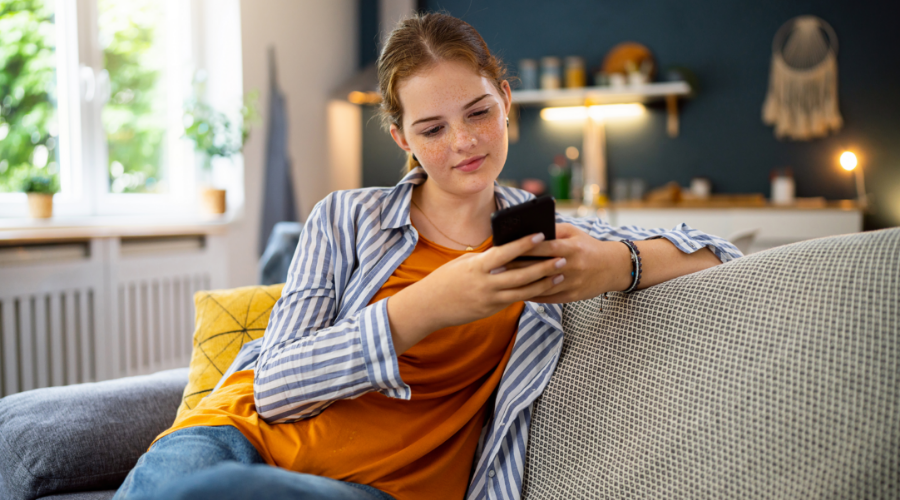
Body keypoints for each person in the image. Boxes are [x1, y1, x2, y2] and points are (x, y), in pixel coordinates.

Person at [113, 12, 741, 500]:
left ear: (504, 100)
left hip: (376, 488)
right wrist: (422, 308)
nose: (464, 143)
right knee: (198, 482)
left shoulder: (545, 239)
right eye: (432, 129)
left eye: (478, 113)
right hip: (235, 435)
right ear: (401, 137)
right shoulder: (344, 217)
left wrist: (613, 265)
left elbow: (722, 252)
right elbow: (275, 389)